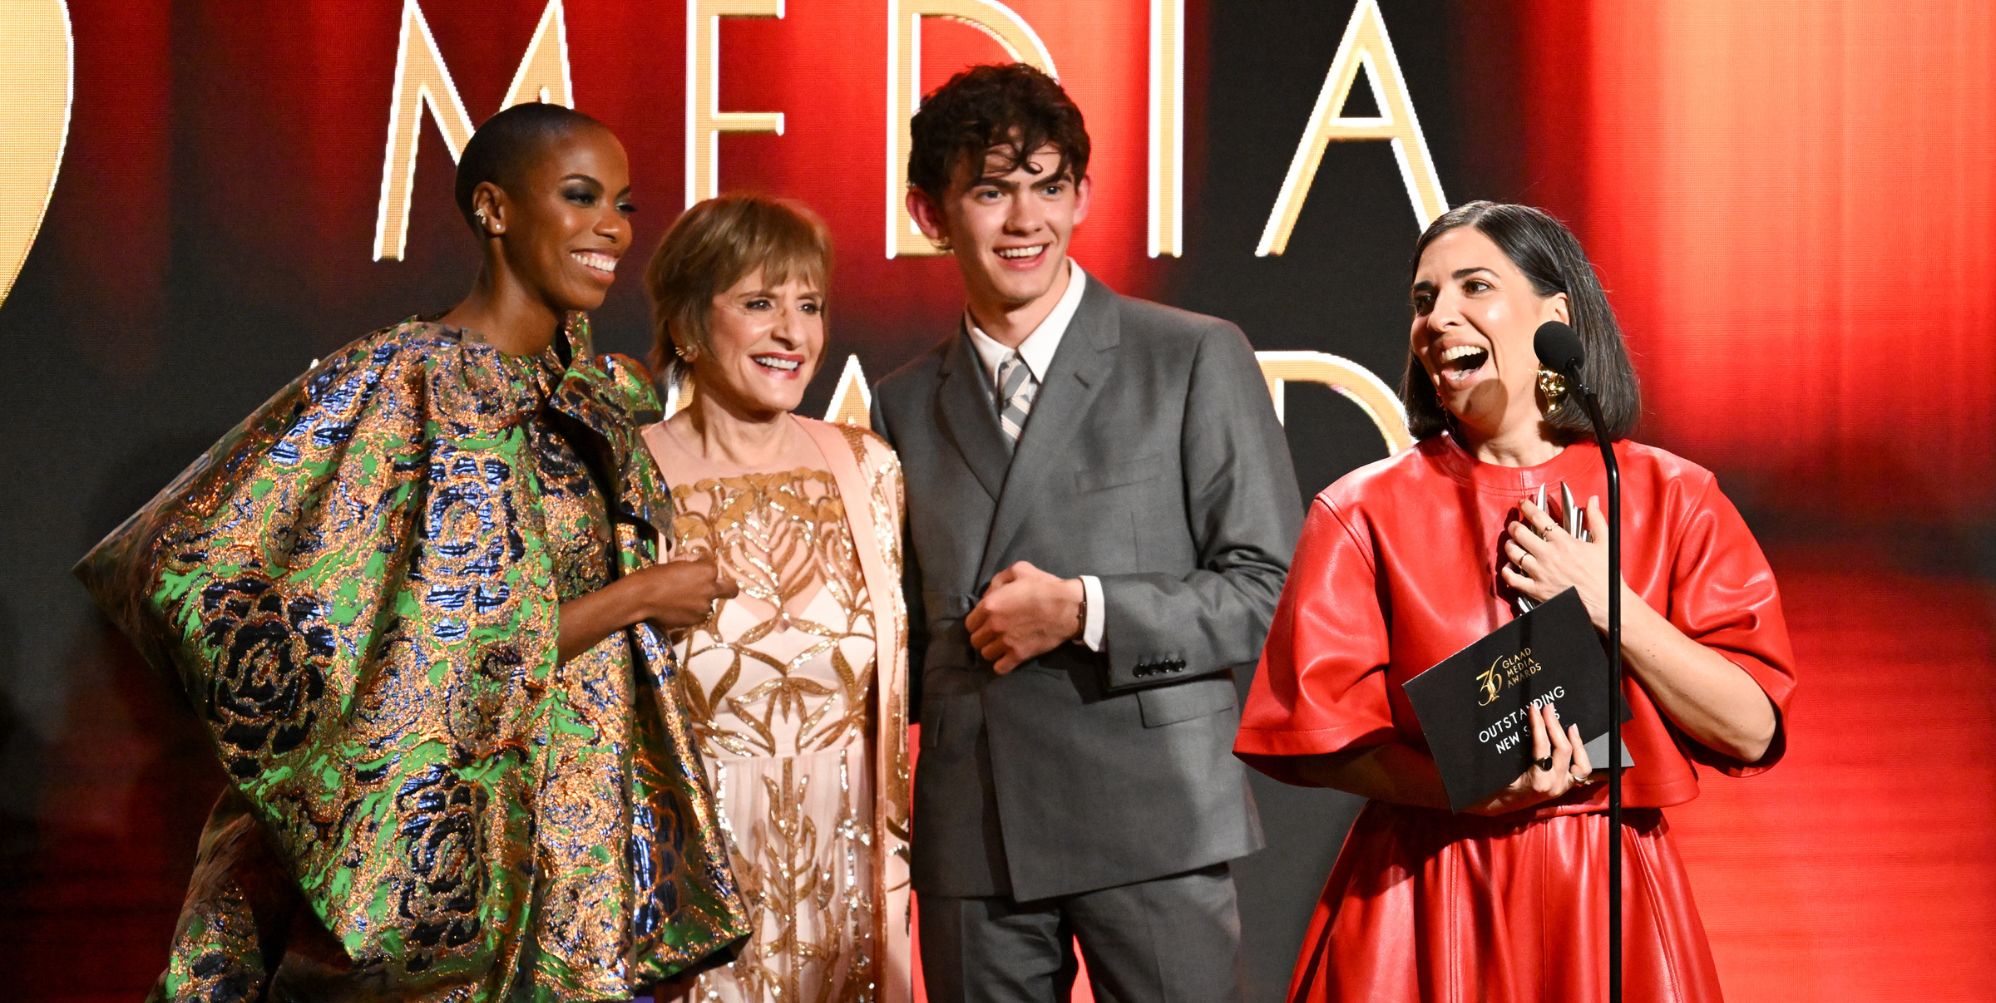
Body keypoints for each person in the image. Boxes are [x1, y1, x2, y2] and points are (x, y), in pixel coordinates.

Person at [74, 102, 750, 1001]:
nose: (612, 229)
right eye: (581, 196)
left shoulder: (582, 395)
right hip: (435, 873)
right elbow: (205, 572)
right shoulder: (401, 381)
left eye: (623, 204)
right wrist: (635, 599)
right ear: (494, 210)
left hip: (572, 864)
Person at [1233, 201, 1799, 1001]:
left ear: (1554, 318)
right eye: (1425, 300)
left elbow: (1750, 728)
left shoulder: (1671, 496)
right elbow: (1317, 734)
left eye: (1475, 287)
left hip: (1608, 897)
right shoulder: (1361, 512)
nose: (1439, 318)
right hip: (1424, 894)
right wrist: (1465, 790)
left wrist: (1611, 604)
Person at [869, 63, 1302, 1002]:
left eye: (1049, 186)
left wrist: (1085, 610)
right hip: (974, 834)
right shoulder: (903, 404)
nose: (1026, 221)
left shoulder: (1189, 355)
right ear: (928, 212)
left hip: (1153, 817)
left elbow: (1269, 589)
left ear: (1084, 196)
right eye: (991, 190)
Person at [637, 193, 911, 1002]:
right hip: (698, 896)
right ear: (688, 325)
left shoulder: (871, 469)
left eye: (809, 306)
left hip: (855, 882)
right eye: (759, 304)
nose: (794, 333)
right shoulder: (631, 479)